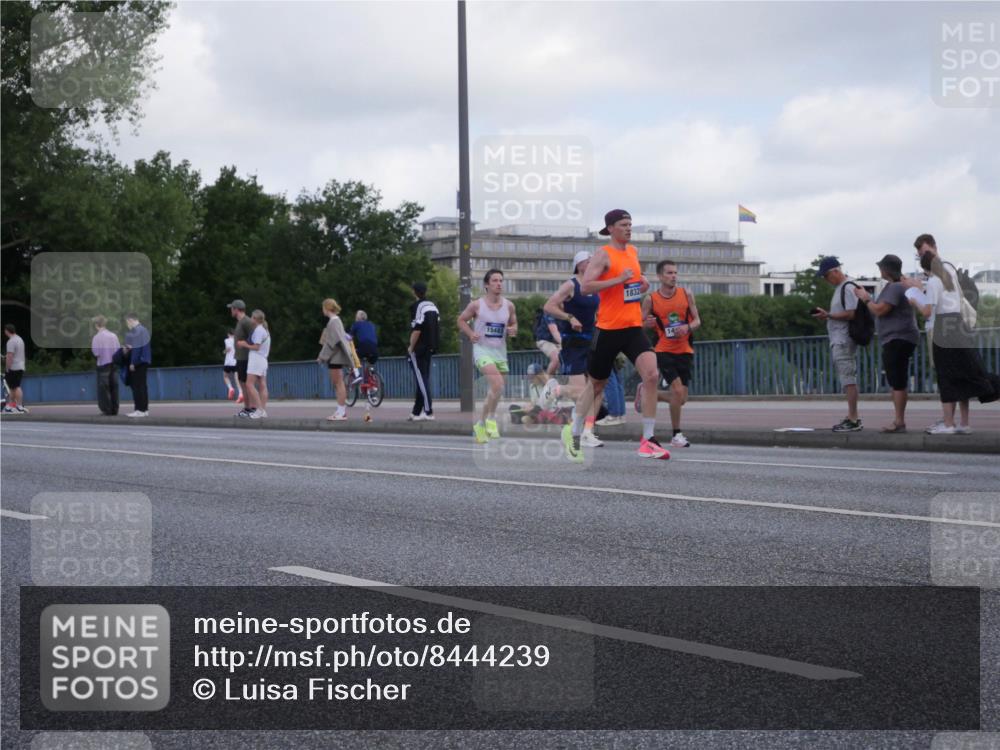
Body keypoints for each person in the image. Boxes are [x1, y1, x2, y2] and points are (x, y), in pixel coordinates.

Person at [562, 209, 669, 461]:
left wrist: (641, 284)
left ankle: (648, 440)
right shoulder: (603, 255)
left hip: (632, 327)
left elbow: (633, 283)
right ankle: (574, 432)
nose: (629, 228)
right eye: (623, 224)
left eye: (630, 224)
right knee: (596, 385)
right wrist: (618, 279)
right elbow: (586, 286)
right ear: (610, 228)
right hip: (608, 329)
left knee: (652, 375)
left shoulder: (632, 252)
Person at [909, 234, 1000, 434]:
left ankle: (949, 424)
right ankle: (964, 423)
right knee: (965, 372)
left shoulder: (933, 281)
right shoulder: (948, 271)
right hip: (958, 324)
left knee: (947, 376)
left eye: (923, 253)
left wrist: (915, 297)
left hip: (943, 327)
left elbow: (927, 311)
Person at [852, 254, 920, 433]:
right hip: (903, 336)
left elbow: (880, 310)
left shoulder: (895, 288)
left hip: (897, 337)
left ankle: (899, 421)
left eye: (881, 267)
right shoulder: (899, 285)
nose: (879, 270)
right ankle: (899, 420)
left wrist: (865, 298)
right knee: (898, 378)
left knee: (897, 379)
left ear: (886, 270)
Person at [639, 259, 701, 448]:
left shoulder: (686, 294)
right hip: (664, 350)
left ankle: (647, 393)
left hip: (685, 350)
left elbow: (698, 320)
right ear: (660, 276)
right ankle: (676, 435)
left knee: (681, 399)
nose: (673, 276)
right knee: (677, 390)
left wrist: (687, 327)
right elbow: (637, 324)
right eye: (669, 273)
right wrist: (645, 324)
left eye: (675, 273)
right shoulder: (651, 299)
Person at [544, 250, 603, 446]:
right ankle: (555, 390)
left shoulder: (594, 286)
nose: (594, 264)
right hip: (573, 342)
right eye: (589, 261)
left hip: (592, 340)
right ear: (580, 265)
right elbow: (549, 306)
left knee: (597, 387)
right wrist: (569, 317)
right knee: (580, 390)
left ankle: (587, 431)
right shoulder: (571, 285)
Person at [458, 268, 518, 443]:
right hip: (482, 350)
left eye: (501, 280)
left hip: (500, 352)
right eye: (495, 281)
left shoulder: (509, 305)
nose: (499, 284)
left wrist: (514, 330)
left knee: (497, 390)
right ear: (486, 285)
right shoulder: (477, 305)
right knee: (497, 384)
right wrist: (470, 333)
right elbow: (461, 320)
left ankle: (481, 424)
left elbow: (514, 323)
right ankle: (491, 420)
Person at [811, 257, 863, 432]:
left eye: (826, 275)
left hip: (843, 339)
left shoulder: (847, 287)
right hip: (839, 338)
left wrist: (829, 315)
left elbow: (851, 314)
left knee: (848, 379)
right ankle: (851, 416)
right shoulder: (841, 288)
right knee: (846, 378)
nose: (826, 279)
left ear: (835, 271)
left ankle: (854, 418)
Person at [318, 298, 355, 421]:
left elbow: (330, 343)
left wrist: (322, 357)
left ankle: (341, 412)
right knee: (339, 384)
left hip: (335, 358)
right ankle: (340, 411)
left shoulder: (332, 322)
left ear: (327, 308)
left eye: (323, 308)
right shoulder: (337, 321)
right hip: (337, 357)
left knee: (338, 384)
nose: (322, 310)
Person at [408, 282, 440, 421]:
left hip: (419, 347)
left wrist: (410, 347)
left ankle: (428, 411)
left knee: (422, 380)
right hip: (430, 346)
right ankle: (416, 412)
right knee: (423, 379)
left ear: (414, 292)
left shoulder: (417, 306)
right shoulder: (433, 306)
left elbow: (417, 328)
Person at [239, 309, 270, 420]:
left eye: (252, 317)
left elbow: (256, 347)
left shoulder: (258, 330)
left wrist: (244, 344)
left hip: (256, 359)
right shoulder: (265, 330)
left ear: (255, 319)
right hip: (263, 359)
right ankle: (263, 411)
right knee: (262, 385)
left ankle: (259, 410)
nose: (251, 319)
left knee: (249, 384)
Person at [229, 300, 255, 416]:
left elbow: (255, 337)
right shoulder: (240, 322)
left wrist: (245, 345)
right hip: (240, 357)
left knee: (246, 383)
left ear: (236, 309)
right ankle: (247, 408)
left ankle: (250, 408)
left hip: (246, 357)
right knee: (242, 382)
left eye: (232, 308)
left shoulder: (246, 322)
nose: (231, 310)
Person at [123, 313, 151, 418]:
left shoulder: (137, 331)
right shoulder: (144, 330)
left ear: (130, 320)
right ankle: (145, 410)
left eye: (127, 322)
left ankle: (139, 409)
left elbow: (137, 349)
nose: (127, 325)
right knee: (143, 386)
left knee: (137, 386)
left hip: (138, 362)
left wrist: (132, 363)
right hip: (144, 360)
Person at [91, 316, 120, 416]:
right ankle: (115, 409)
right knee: (114, 387)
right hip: (114, 365)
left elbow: (96, 353)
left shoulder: (96, 337)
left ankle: (107, 410)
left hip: (103, 365)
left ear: (96, 325)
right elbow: (118, 351)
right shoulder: (114, 336)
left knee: (104, 388)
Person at [3, 324, 27, 413]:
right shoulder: (19, 339)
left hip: (13, 367)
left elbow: (10, 356)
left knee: (16, 387)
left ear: (6, 331)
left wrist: (7, 368)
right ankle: (11, 406)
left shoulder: (11, 341)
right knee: (12, 387)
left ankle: (19, 406)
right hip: (20, 365)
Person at [533, 308, 562, 378]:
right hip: (544, 340)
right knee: (556, 359)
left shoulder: (567, 313)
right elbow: (555, 333)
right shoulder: (549, 313)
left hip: (557, 341)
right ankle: (547, 382)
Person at [222, 329, 241, 402]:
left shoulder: (227, 340)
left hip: (228, 362)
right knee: (237, 379)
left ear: (228, 334)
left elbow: (228, 349)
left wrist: (224, 352)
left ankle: (230, 388)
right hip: (236, 361)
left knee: (225, 376)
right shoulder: (238, 341)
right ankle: (240, 393)